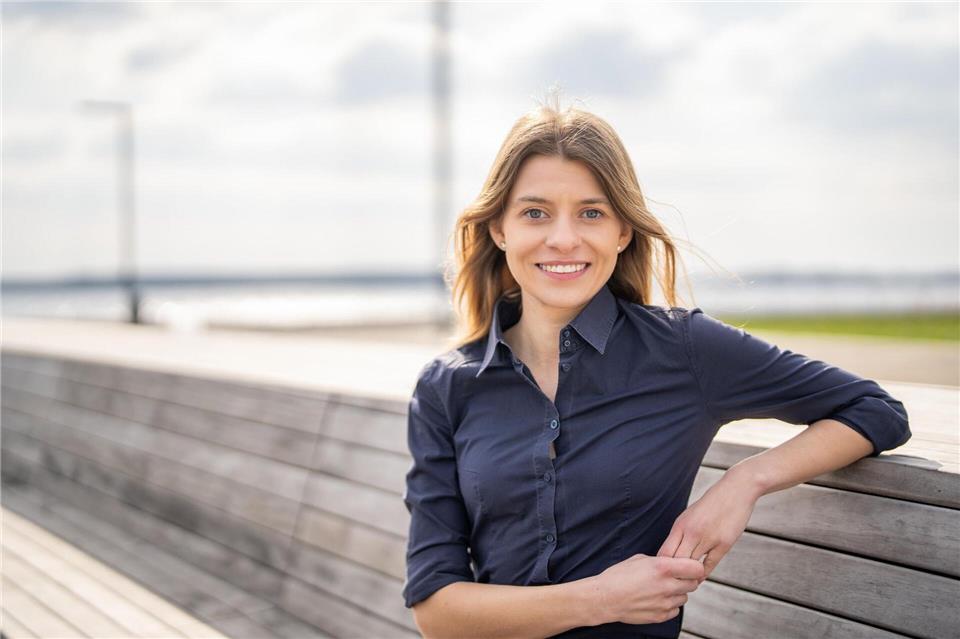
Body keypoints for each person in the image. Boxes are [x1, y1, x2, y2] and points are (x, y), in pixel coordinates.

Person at [401, 97, 911, 639]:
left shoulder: (683, 349)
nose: (564, 238)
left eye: (591, 213)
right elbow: (436, 612)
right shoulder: (446, 387)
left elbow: (875, 410)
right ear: (500, 231)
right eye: (535, 212)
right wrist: (599, 599)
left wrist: (745, 481)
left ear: (623, 232)